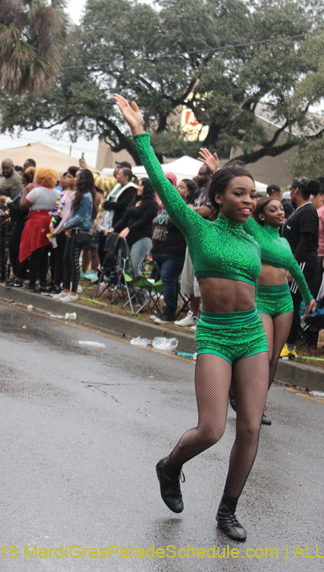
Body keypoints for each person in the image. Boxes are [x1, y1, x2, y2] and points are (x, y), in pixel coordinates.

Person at [116, 94, 269, 543]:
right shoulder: (199, 227)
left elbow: (279, 256)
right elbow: (163, 187)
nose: (249, 200)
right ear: (218, 197)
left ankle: (227, 510)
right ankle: (170, 465)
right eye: (238, 193)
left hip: (252, 334)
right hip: (216, 335)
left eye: (252, 194)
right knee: (212, 429)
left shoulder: (253, 236)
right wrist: (140, 133)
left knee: (251, 427)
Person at [244, 197, 315, 425]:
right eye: (273, 209)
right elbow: (242, 207)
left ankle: (258, 406)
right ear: (262, 215)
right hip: (262, 301)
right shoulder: (255, 230)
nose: (280, 212)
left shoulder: (284, 242)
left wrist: (308, 297)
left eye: (281, 209)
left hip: (284, 301)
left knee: (275, 358)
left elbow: (295, 269)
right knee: (263, 355)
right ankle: (243, 394)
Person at [280, 178, 321, 357]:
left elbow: (304, 242)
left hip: (302, 262)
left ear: (296, 190)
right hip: (293, 260)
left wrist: (293, 267)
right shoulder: (299, 210)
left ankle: (289, 346)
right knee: (289, 301)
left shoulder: (308, 211)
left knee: (293, 303)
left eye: (291, 188)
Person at [175, 155, 216, 328]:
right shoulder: (199, 192)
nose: (198, 176)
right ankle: (193, 314)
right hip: (194, 237)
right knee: (190, 279)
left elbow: (205, 211)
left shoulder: (213, 193)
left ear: (210, 175)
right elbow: (191, 207)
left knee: (202, 280)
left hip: (207, 239)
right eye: (198, 173)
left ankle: (205, 317)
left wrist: (190, 209)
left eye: (202, 173)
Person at [151, 179, 196, 323]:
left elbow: (179, 225)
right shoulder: (168, 207)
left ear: (189, 193)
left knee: (168, 279)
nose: (177, 189)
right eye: (177, 186)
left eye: (181, 187)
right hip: (159, 251)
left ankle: (169, 312)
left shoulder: (187, 208)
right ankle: (166, 310)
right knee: (167, 281)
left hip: (174, 252)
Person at [53, 169, 96, 302]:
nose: (75, 179)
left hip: (80, 231)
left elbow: (80, 217)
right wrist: (69, 228)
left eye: (77, 177)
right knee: (66, 259)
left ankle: (73, 293)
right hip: (73, 230)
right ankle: (65, 290)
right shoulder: (79, 194)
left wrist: (66, 225)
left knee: (74, 261)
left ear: (83, 180)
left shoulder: (87, 196)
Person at [19, 167, 60, 292]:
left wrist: (25, 192)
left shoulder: (36, 192)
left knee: (34, 252)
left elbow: (22, 206)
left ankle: (32, 283)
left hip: (36, 223)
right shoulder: (58, 194)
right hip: (50, 223)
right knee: (45, 253)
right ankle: (42, 282)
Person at [112, 177, 160, 272]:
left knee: (134, 266)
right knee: (125, 266)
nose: (138, 187)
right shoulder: (135, 202)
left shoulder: (153, 204)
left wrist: (128, 229)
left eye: (141, 185)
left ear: (147, 188)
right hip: (129, 238)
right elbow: (125, 218)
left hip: (142, 238)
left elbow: (144, 220)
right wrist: (113, 229)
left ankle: (136, 281)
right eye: (138, 185)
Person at [0, 158, 23, 278]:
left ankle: (0, 273)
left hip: (3, 220)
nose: (5, 171)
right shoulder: (6, 179)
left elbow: (17, 200)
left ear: (13, 166)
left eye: (7, 168)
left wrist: (8, 215)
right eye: (3, 169)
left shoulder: (15, 180)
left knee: (0, 247)